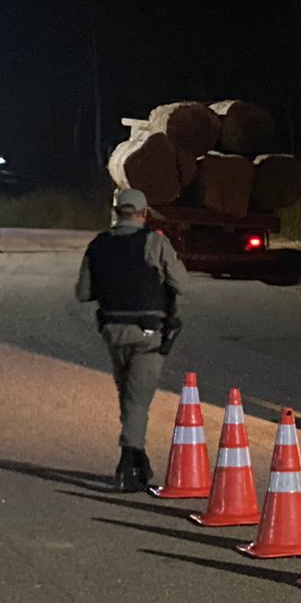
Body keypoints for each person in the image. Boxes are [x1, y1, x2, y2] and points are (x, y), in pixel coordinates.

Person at [75, 189, 190, 492]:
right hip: (148, 334)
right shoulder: (155, 243)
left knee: (128, 395)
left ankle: (139, 460)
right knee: (137, 400)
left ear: (116, 211)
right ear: (143, 213)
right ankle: (128, 463)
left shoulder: (98, 245)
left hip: (113, 331)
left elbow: (83, 293)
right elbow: (182, 284)